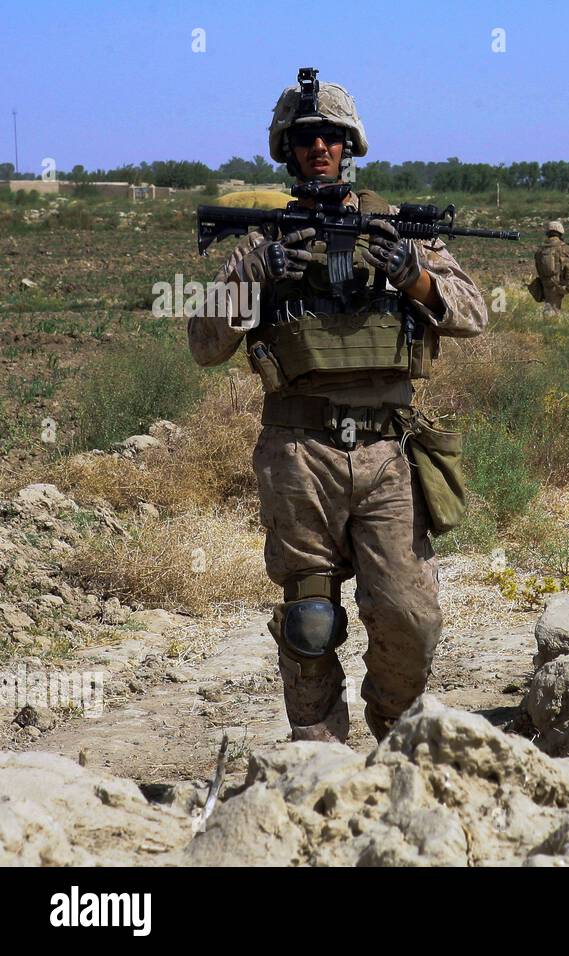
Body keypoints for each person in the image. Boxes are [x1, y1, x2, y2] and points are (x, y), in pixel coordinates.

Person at [186, 70, 488, 743]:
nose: (318, 146)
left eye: (330, 136)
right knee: (310, 620)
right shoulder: (262, 241)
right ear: (287, 150)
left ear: (349, 144)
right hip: (300, 450)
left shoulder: (397, 230)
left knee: (411, 617)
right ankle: (317, 755)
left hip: (387, 452)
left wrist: (413, 274)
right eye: (304, 138)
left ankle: (393, 728)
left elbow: (473, 314)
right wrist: (258, 275)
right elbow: (205, 344)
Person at [532, 221, 569, 317]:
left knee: (551, 310)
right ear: (561, 232)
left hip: (546, 285)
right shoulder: (565, 248)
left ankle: (548, 326)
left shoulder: (540, 250)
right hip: (562, 284)